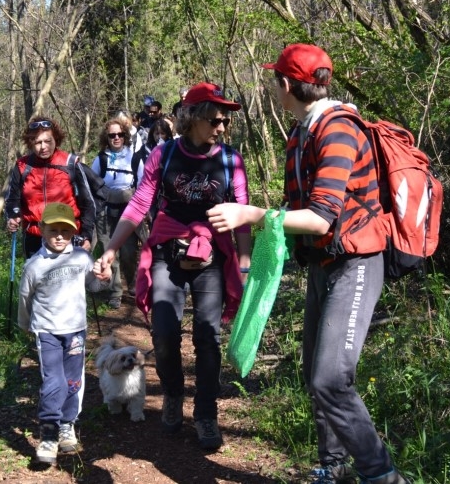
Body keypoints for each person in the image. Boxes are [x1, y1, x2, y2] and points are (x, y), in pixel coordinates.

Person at [206, 44, 409, 484]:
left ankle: (382, 475)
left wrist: (253, 215)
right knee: (315, 372)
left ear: (286, 84)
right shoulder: (302, 132)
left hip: (356, 262)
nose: (273, 86)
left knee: (331, 380)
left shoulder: (337, 130)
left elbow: (320, 216)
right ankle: (332, 469)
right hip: (322, 264)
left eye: (274, 79)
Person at [97, 82, 252, 451]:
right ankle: (171, 395)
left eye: (225, 120)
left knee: (207, 337)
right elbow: (138, 206)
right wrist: (111, 250)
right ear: (193, 118)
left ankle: (206, 413)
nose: (222, 127)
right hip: (168, 252)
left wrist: (243, 266)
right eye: (215, 119)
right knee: (164, 333)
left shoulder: (230, 160)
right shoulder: (163, 155)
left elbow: (243, 215)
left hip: (212, 257)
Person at [17, 202, 111, 465]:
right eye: (53, 230)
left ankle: (67, 424)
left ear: (74, 231)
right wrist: (24, 324)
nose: (59, 236)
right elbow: (25, 298)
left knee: (73, 381)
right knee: (53, 381)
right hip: (47, 331)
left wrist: (103, 278)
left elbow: (93, 285)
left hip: (76, 331)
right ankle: (48, 433)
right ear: (41, 230)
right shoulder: (34, 265)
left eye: (65, 231)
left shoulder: (81, 258)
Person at [5, 117, 96, 258]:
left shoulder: (70, 163)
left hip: (66, 236)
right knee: (37, 279)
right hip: (34, 237)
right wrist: (12, 216)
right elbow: (13, 199)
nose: (43, 147)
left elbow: (87, 203)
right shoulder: (22, 166)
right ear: (30, 143)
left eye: (48, 141)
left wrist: (86, 235)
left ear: (56, 140)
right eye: (38, 142)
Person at [90, 119, 146, 309]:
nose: (116, 138)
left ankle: (131, 283)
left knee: (129, 252)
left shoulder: (134, 157)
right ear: (106, 137)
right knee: (108, 251)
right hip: (106, 210)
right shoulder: (101, 159)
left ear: (125, 136)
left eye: (120, 134)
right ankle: (115, 292)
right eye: (112, 135)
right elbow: (92, 183)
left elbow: (144, 183)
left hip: (128, 209)